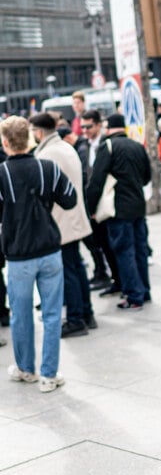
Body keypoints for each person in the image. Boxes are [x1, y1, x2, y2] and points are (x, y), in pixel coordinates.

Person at [0, 116, 76, 392]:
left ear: (5, 142)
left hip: (18, 255)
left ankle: (25, 369)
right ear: (31, 138)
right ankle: (48, 374)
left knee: (20, 314)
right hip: (50, 249)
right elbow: (70, 199)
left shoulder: (2, 174)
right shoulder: (48, 168)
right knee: (53, 314)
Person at [29, 113, 96, 338]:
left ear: (38, 132)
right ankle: (87, 314)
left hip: (61, 220)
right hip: (75, 217)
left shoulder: (48, 154)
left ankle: (76, 319)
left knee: (69, 271)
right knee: (76, 267)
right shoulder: (65, 147)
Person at [86, 113, 152, 312]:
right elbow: (147, 177)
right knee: (140, 251)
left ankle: (133, 296)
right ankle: (145, 291)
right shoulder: (137, 146)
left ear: (108, 128)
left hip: (118, 208)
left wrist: (91, 208)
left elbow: (96, 181)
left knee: (124, 252)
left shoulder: (108, 147)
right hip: (138, 206)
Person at [79, 109, 121, 296]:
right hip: (92, 204)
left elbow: (100, 179)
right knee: (102, 245)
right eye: (82, 127)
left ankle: (119, 280)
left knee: (113, 246)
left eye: (88, 126)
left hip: (107, 203)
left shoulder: (106, 144)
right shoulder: (84, 146)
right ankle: (112, 278)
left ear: (98, 124)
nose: (85, 130)